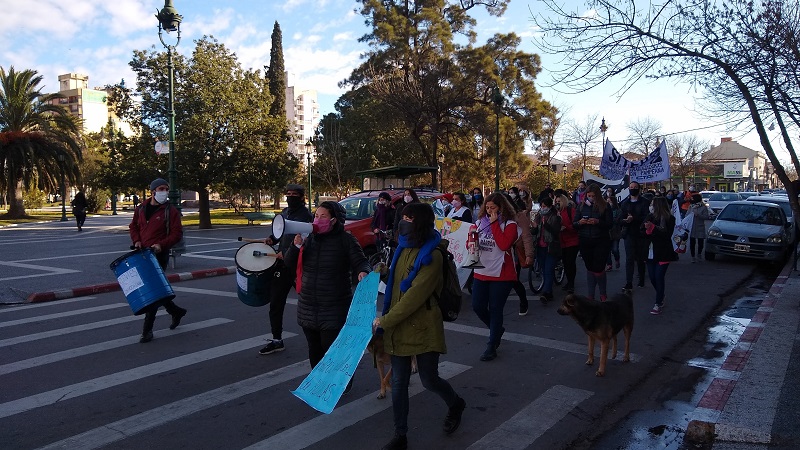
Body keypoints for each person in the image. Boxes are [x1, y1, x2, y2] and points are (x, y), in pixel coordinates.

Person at [373, 203, 466, 450]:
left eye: (409, 218)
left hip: (423, 326)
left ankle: (456, 403)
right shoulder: (403, 248)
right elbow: (396, 281)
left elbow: (414, 297)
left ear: (421, 222)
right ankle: (400, 434)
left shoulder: (432, 255)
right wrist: (379, 272)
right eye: (402, 217)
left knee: (429, 379)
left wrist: (385, 321)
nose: (403, 222)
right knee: (400, 382)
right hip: (399, 327)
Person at [284, 201, 370, 373]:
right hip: (308, 305)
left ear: (334, 220)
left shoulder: (346, 240)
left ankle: (340, 381)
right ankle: (319, 382)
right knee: (314, 348)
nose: (317, 220)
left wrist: (363, 272)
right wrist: (295, 247)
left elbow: (361, 261)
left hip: (334, 305)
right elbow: (289, 263)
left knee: (332, 347)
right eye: (316, 216)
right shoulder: (308, 239)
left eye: (323, 216)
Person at [129, 178, 187, 343]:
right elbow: (133, 226)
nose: (164, 192)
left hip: (159, 253)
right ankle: (175, 311)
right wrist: (136, 241)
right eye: (161, 189)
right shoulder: (141, 208)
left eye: (166, 189)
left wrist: (162, 245)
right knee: (156, 290)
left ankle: (147, 330)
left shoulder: (171, 211)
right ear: (153, 191)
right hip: (143, 254)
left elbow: (177, 233)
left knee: (153, 291)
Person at [259, 184, 313, 355]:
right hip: (282, 266)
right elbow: (278, 234)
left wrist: (289, 252)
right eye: (288, 194)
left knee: (311, 303)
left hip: (300, 265)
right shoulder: (284, 214)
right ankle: (277, 339)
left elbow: (306, 240)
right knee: (275, 302)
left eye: (294, 194)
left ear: (302, 197)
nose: (290, 197)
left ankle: (321, 338)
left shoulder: (306, 216)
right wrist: (270, 240)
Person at [471, 193, 518, 361]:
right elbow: (472, 242)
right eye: (487, 208)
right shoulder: (478, 223)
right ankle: (496, 329)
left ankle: (492, 344)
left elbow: (504, 244)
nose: (490, 211)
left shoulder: (510, 224)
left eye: (493, 208)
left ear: (501, 208)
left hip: (502, 273)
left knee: (496, 308)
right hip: (481, 270)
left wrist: (494, 225)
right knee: (478, 306)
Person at [575, 184, 613, 301]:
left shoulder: (605, 206)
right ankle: (591, 294)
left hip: (601, 240)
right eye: (589, 195)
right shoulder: (581, 206)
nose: (591, 198)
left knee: (598, 268)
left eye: (593, 196)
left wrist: (597, 222)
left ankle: (602, 293)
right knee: (590, 267)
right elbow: (574, 223)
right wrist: (580, 222)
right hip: (585, 240)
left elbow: (610, 224)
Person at [642, 196, 678, 315]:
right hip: (650, 252)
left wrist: (653, 228)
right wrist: (647, 229)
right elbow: (642, 230)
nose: (651, 206)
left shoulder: (670, 219)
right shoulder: (649, 217)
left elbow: (666, 235)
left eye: (652, 204)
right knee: (652, 278)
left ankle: (658, 303)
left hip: (663, 253)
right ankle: (661, 295)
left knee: (659, 277)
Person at [504, 193, 534, 314]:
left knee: (513, 279)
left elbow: (526, 236)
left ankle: (523, 301)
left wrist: (529, 255)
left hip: (514, 251)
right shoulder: (495, 215)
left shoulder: (519, 216)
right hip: (500, 251)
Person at [618, 181, 651, 290]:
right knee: (629, 259)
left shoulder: (645, 202)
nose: (633, 189)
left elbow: (647, 217)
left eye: (635, 187)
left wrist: (634, 219)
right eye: (631, 187)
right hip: (629, 233)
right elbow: (619, 219)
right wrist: (625, 220)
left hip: (641, 234)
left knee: (641, 258)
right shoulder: (625, 203)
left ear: (639, 189)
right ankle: (629, 282)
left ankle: (641, 279)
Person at [531, 196, 561, 303]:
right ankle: (549, 291)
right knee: (544, 269)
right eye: (541, 206)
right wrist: (534, 227)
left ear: (549, 207)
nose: (542, 208)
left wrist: (546, 225)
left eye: (544, 206)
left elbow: (556, 231)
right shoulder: (539, 216)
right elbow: (534, 232)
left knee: (548, 269)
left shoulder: (555, 217)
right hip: (540, 247)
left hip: (551, 247)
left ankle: (546, 292)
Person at [555, 193, 579, 293]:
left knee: (570, 262)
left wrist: (567, 227)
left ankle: (571, 283)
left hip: (572, 241)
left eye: (558, 202)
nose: (557, 204)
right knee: (565, 262)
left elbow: (576, 225)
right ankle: (569, 282)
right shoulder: (556, 212)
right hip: (562, 242)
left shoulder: (570, 211)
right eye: (556, 202)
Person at [687, 193, 710, 262]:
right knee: (692, 242)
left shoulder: (703, 207)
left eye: (692, 198)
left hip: (700, 226)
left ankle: (699, 253)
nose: (691, 200)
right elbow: (687, 214)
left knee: (700, 242)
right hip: (692, 226)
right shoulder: (691, 206)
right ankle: (693, 256)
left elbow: (706, 216)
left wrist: (698, 215)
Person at [605, 194, 623, 271]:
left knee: (615, 249)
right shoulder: (604, 210)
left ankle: (617, 259)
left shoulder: (618, 211)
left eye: (610, 202)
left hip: (615, 232)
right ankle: (609, 264)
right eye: (607, 201)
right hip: (607, 233)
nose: (608, 203)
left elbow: (618, 221)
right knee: (607, 250)